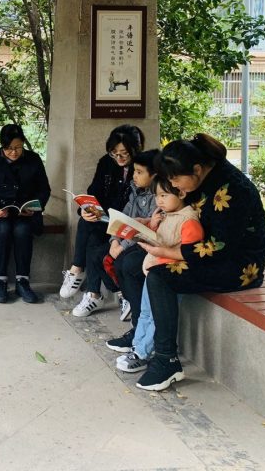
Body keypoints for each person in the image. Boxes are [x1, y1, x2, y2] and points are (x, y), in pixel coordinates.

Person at [135, 133, 265, 391]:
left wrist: (166, 252)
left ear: (197, 169)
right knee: (133, 263)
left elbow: (218, 247)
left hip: (238, 265)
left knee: (160, 276)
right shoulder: (202, 178)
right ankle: (140, 336)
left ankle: (166, 359)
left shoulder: (232, 189)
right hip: (205, 250)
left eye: (176, 179)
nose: (174, 185)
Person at [107, 175, 203, 376]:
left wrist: (159, 247)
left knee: (155, 316)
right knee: (145, 312)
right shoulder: (167, 214)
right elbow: (160, 237)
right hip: (153, 271)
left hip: (167, 276)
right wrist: (151, 225)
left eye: (164, 195)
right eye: (157, 196)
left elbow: (188, 252)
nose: (159, 201)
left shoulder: (188, 220)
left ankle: (143, 353)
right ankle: (137, 347)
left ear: (181, 193)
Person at [59, 124, 145, 317]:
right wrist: (86, 209)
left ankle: (85, 281)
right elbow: (94, 192)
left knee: (93, 240)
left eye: (124, 153)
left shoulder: (143, 167)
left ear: (136, 149)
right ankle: (87, 286)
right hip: (105, 219)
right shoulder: (106, 162)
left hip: (129, 224)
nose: (118, 158)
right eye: (114, 153)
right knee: (87, 223)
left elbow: (135, 205)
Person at [0, 124, 51, 304]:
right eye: (9, 148)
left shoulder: (33, 159)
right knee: (2, 230)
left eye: (18, 147)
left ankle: (22, 281)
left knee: (22, 231)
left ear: (23, 143)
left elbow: (44, 189)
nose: (14, 152)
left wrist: (35, 207)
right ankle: (0, 281)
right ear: (2, 146)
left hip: (25, 213)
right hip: (0, 212)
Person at [102, 149, 158, 323]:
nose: (134, 176)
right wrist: (114, 242)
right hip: (128, 241)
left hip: (144, 244)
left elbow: (145, 229)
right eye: (134, 171)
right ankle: (126, 296)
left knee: (125, 264)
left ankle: (136, 317)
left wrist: (122, 246)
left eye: (140, 172)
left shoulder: (157, 197)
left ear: (154, 175)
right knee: (100, 255)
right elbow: (122, 218)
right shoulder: (134, 190)